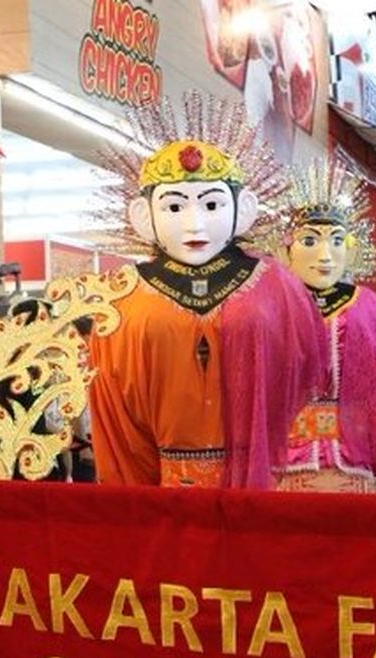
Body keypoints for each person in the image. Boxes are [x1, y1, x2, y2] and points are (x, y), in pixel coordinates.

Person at [88, 93, 326, 488]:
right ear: (143, 217)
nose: (195, 225)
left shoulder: (274, 287)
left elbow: (301, 374)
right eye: (175, 208)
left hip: (255, 475)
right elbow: (114, 411)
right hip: (165, 483)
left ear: (243, 210)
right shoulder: (121, 298)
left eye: (212, 206)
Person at [273, 160, 376, 493]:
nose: (325, 255)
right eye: (309, 241)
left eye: (336, 241)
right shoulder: (272, 302)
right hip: (282, 455)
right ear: (287, 248)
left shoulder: (363, 304)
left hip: (353, 453)